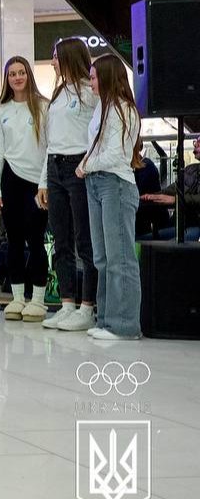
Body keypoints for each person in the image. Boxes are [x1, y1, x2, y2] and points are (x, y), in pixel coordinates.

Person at [79, 55, 143, 340]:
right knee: (102, 257)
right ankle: (106, 319)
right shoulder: (101, 108)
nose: (90, 82)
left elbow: (116, 153)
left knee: (121, 258)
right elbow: (94, 147)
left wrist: (85, 165)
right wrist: (88, 166)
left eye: (93, 77)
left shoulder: (123, 109)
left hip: (115, 184)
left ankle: (125, 325)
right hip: (96, 183)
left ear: (106, 77)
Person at [37, 37, 98, 331]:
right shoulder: (59, 92)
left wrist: (85, 165)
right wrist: (43, 182)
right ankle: (67, 303)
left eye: (56, 57)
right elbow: (49, 141)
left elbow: (97, 134)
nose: (52, 62)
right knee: (61, 242)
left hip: (78, 168)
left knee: (84, 240)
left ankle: (88, 307)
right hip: (55, 167)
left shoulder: (91, 93)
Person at [0, 56, 49, 323]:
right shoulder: (0, 111)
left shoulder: (43, 106)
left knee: (36, 241)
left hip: (37, 183)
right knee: (13, 242)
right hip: (11, 181)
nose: (17, 77)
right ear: (7, 78)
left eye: (21, 72)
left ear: (28, 75)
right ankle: (16, 299)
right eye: (12, 73)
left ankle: (37, 300)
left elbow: (49, 148)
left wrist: (45, 183)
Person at [141, 136, 200, 241]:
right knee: (142, 241)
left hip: (195, 226)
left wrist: (177, 200)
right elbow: (174, 189)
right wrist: (154, 196)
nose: (195, 144)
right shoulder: (190, 170)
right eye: (195, 142)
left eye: (199, 142)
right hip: (183, 223)